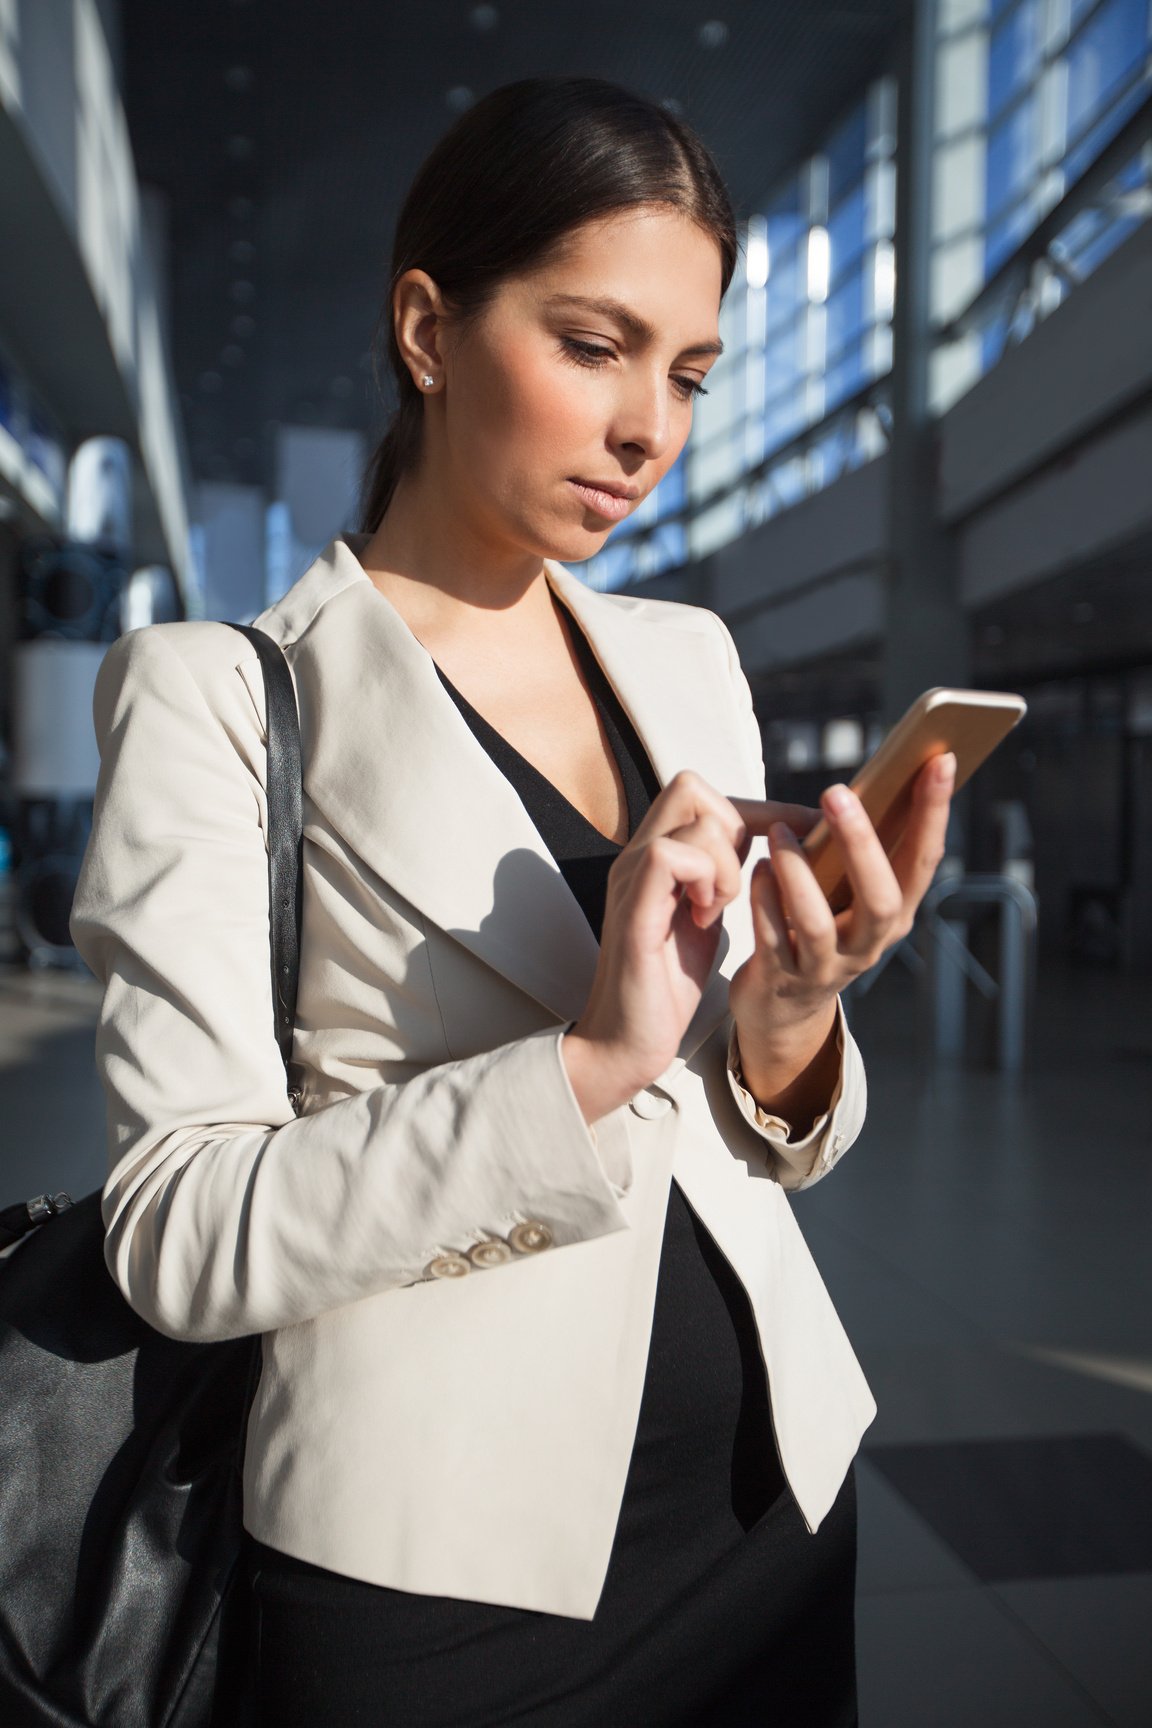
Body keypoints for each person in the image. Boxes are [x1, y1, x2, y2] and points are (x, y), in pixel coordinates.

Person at [71, 78, 955, 1727]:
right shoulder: (217, 697)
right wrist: (584, 1066)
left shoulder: (685, 661)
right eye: (594, 345)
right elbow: (177, 1233)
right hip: (435, 1590)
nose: (652, 430)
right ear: (427, 324)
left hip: (770, 1511)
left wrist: (793, 1022)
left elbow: (766, 1145)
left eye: (688, 371)